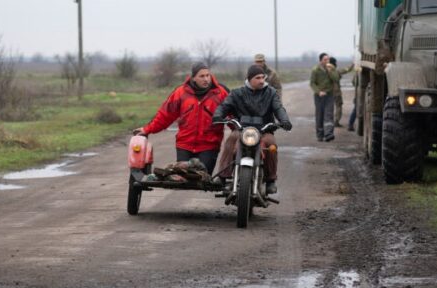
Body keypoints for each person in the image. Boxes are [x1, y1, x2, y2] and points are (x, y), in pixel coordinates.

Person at [134, 62, 229, 174]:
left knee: (202, 175)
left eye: (208, 75)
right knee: (183, 176)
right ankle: (171, 171)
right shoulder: (180, 93)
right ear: (193, 78)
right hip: (185, 145)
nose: (206, 79)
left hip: (209, 146)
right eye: (202, 76)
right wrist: (147, 129)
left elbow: (233, 114)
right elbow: (165, 115)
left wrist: (243, 132)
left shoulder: (220, 94)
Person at [213, 64, 292, 195]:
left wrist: (284, 120)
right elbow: (224, 105)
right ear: (249, 79)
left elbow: (278, 108)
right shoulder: (237, 93)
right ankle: (223, 176)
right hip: (242, 130)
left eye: (263, 77)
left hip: (264, 130)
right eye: (257, 78)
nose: (262, 80)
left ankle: (271, 180)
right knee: (231, 139)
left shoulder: (271, 93)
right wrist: (218, 115)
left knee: (271, 144)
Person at [310, 52, 338, 141]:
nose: (327, 61)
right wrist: (318, 92)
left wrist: (330, 72)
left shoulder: (331, 69)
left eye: (328, 59)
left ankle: (329, 134)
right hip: (319, 96)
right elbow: (312, 83)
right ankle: (320, 135)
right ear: (320, 61)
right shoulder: (315, 70)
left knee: (329, 114)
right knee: (320, 115)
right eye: (325, 59)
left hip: (329, 95)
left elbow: (336, 79)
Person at [328, 57, 353, 128]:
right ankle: (336, 121)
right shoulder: (334, 71)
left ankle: (328, 121)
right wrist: (352, 66)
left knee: (328, 107)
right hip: (336, 92)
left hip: (328, 92)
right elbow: (345, 70)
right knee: (339, 106)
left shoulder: (325, 69)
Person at [347, 67, 359, 132]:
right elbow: (354, 82)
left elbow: (353, 82)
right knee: (355, 109)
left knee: (355, 109)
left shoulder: (357, 72)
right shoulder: (358, 72)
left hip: (358, 94)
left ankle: (350, 124)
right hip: (358, 94)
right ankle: (350, 124)